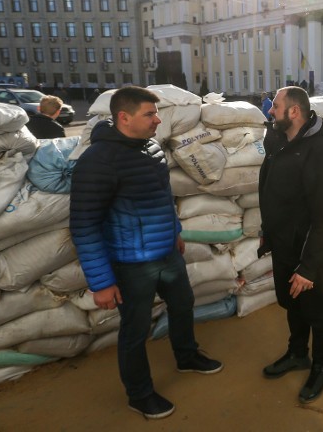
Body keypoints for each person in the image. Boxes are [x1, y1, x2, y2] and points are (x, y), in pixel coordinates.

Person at [69, 86, 222, 420]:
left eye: (157, 113)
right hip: (132, 263)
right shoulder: (98, 162)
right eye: (149, 114)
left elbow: (163, 196)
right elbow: (84, 226)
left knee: (183, 304)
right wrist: (101, 282)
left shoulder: (150, 148)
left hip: (166, 251)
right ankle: (139, 394)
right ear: (124, 118)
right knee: (135, 331)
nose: (157, 120)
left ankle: (187, 356)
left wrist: (176, 232)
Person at [258, 86, 323, 404]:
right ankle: (297, 353)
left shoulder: (322, 151)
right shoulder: (281, 143)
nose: (270, 112)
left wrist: (309, 267)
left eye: (275, 107)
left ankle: (322, 365)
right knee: (291, 304)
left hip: (308, 249)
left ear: (293, 112)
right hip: (283, 244)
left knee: (317, 310)